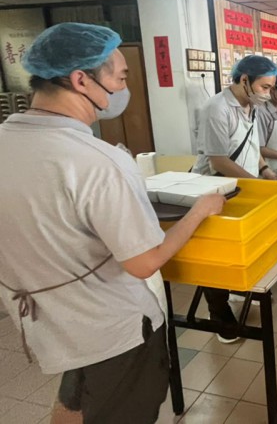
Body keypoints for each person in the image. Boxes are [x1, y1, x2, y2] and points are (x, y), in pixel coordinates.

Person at [0, 23, 225, 423]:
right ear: (81, 79)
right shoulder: (97, 160)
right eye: (120, 77)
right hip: (113, 331)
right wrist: (200, 210)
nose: (124, 87)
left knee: (75, 404)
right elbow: (143, 262)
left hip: (53, 324)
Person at [193, 55, 277, 342]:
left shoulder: (249, 105)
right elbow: (218, 160)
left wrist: (265, 170)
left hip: (242, 186)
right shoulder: (216, 108)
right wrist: (255, 184)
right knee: (213, 255)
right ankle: (219, 315)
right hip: (214, 188)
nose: (268, 93)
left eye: (271, 88)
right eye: (264, 87)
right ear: (244, 80)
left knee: (241, 243)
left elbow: (250, 145)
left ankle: (240, 289)